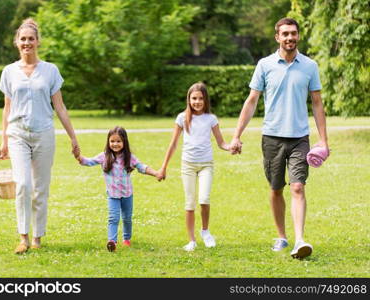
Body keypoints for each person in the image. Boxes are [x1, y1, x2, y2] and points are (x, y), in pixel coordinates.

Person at [230, 18, 329, 259]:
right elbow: (252, 100)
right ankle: (282, 236)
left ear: (298, 36)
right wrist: (236, 135)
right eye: (285, 34)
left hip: (299, 138)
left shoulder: (309, 66)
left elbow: (317, 103)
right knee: (276, 189)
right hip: (272, 138)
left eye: (293, 33)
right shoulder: (264, 65)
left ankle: (300, 240)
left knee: (297, 186)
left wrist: (323, 140)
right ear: (277, 37)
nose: (289, 38)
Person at [0, 18, 80, 254]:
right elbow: (7, 108)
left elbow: (60, 107)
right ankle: (22, 237)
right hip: (17, 135)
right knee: (23, 184)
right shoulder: (9, 72)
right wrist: (3, 140)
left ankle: (37, 236)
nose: (27, 43)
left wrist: (73, 138)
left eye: (30, 39)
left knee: (40, 188)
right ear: (17, 42)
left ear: (38, 42)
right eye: (22, 39)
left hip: (44, 134)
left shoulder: (50, 70)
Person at [159, 82, 230, 251]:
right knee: (189, 203)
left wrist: (231, 147)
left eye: (200, 98)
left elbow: (221, 143)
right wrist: (163, 167)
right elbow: (173, 144)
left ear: (206, 100)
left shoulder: (211, 119)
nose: (197, 102)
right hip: (188, 165)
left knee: (204, 199)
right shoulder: (182, 118)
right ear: (189, 99)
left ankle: (205, 231)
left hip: (206, 164)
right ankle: (191, 240)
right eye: (194, 98)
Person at [77, 126, 161, 252]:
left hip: (127, 194)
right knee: (113, 218)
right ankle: (112, 241)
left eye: (118, 141)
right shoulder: (104, 156)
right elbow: (89, 161)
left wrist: (156, 173)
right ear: (108, 142)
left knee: (127, 218)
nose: (115, 144)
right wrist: (79, 156)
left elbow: (141, 167)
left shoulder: (129, 157)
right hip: (112, 195)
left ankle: (126, 239)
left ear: (124, 142)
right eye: (112, 141)